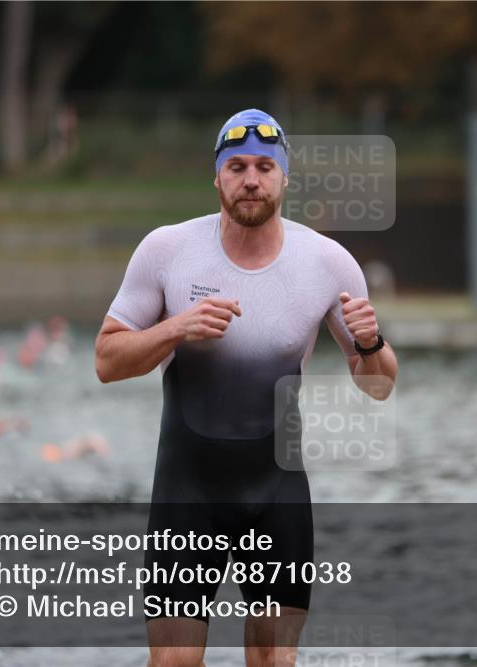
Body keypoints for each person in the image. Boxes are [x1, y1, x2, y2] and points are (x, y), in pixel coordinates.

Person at [95, 109, 398, 667]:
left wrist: (373, 344)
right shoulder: (167, 250)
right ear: (217, 177)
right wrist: (175, 328)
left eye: (264, 166)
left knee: (272, 661)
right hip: (187, 492)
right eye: (236, 166)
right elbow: (107, 361)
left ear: (285, 178)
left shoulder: (328, 263)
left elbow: (378, 387)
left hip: (276, 491)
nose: (251, 179)